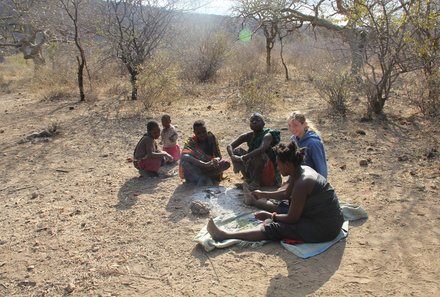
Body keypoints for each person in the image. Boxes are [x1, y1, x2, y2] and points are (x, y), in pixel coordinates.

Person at [207, 142, 344, 243]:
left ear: (288, 164)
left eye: (278, 164)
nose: (278, 167)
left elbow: (292, 218)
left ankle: (224, 235)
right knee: (284, 205)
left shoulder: (303, 183)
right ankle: (255, 206)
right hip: (325, 217)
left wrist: (271, 216)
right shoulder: (300, 170)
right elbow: (285, 194)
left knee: (274, 227)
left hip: (325, 228)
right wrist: (262, 194)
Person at [227, 113, 281, 190]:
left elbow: (261, 149)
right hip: (253, 165)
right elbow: (229, 146)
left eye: (257, 120)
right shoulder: (248, 135)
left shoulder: (268, 135)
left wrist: (243, 157)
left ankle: (256, 183)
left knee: (258, 154)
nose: (254, 122)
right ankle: (248, 179)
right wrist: (233, 156)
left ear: (263, 124)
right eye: (252, 120)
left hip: (268, 171)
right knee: (237, 151)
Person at [180, 120, 231, 186]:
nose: (202, 135)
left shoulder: (211, 138)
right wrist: (204, 164)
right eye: (199, 133)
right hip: (198, 167)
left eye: (204, 132)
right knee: (185, 163)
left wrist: (216, 160)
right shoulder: (191, 141)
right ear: (194, 133)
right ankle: (202, 178)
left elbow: (218, 156)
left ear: (206, 130)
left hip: (211, 166)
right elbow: (184, 156)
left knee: (226, 163)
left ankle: (205, 177)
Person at [288, 111, 328, 178]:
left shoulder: (313, 143)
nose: (292, 129)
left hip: (312, 182)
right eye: (289, 125)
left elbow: (322, 170)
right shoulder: (293, 140)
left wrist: (320, 187)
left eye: (295, 125)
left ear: (304, 124)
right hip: (299, 180)